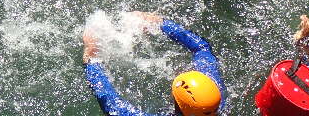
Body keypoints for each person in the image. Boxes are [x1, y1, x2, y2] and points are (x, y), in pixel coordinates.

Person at [82, 11, 226, 115]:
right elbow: (202, 49)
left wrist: (91, 60)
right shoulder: (215, 100)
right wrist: (160, 23)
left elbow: (112, 104)